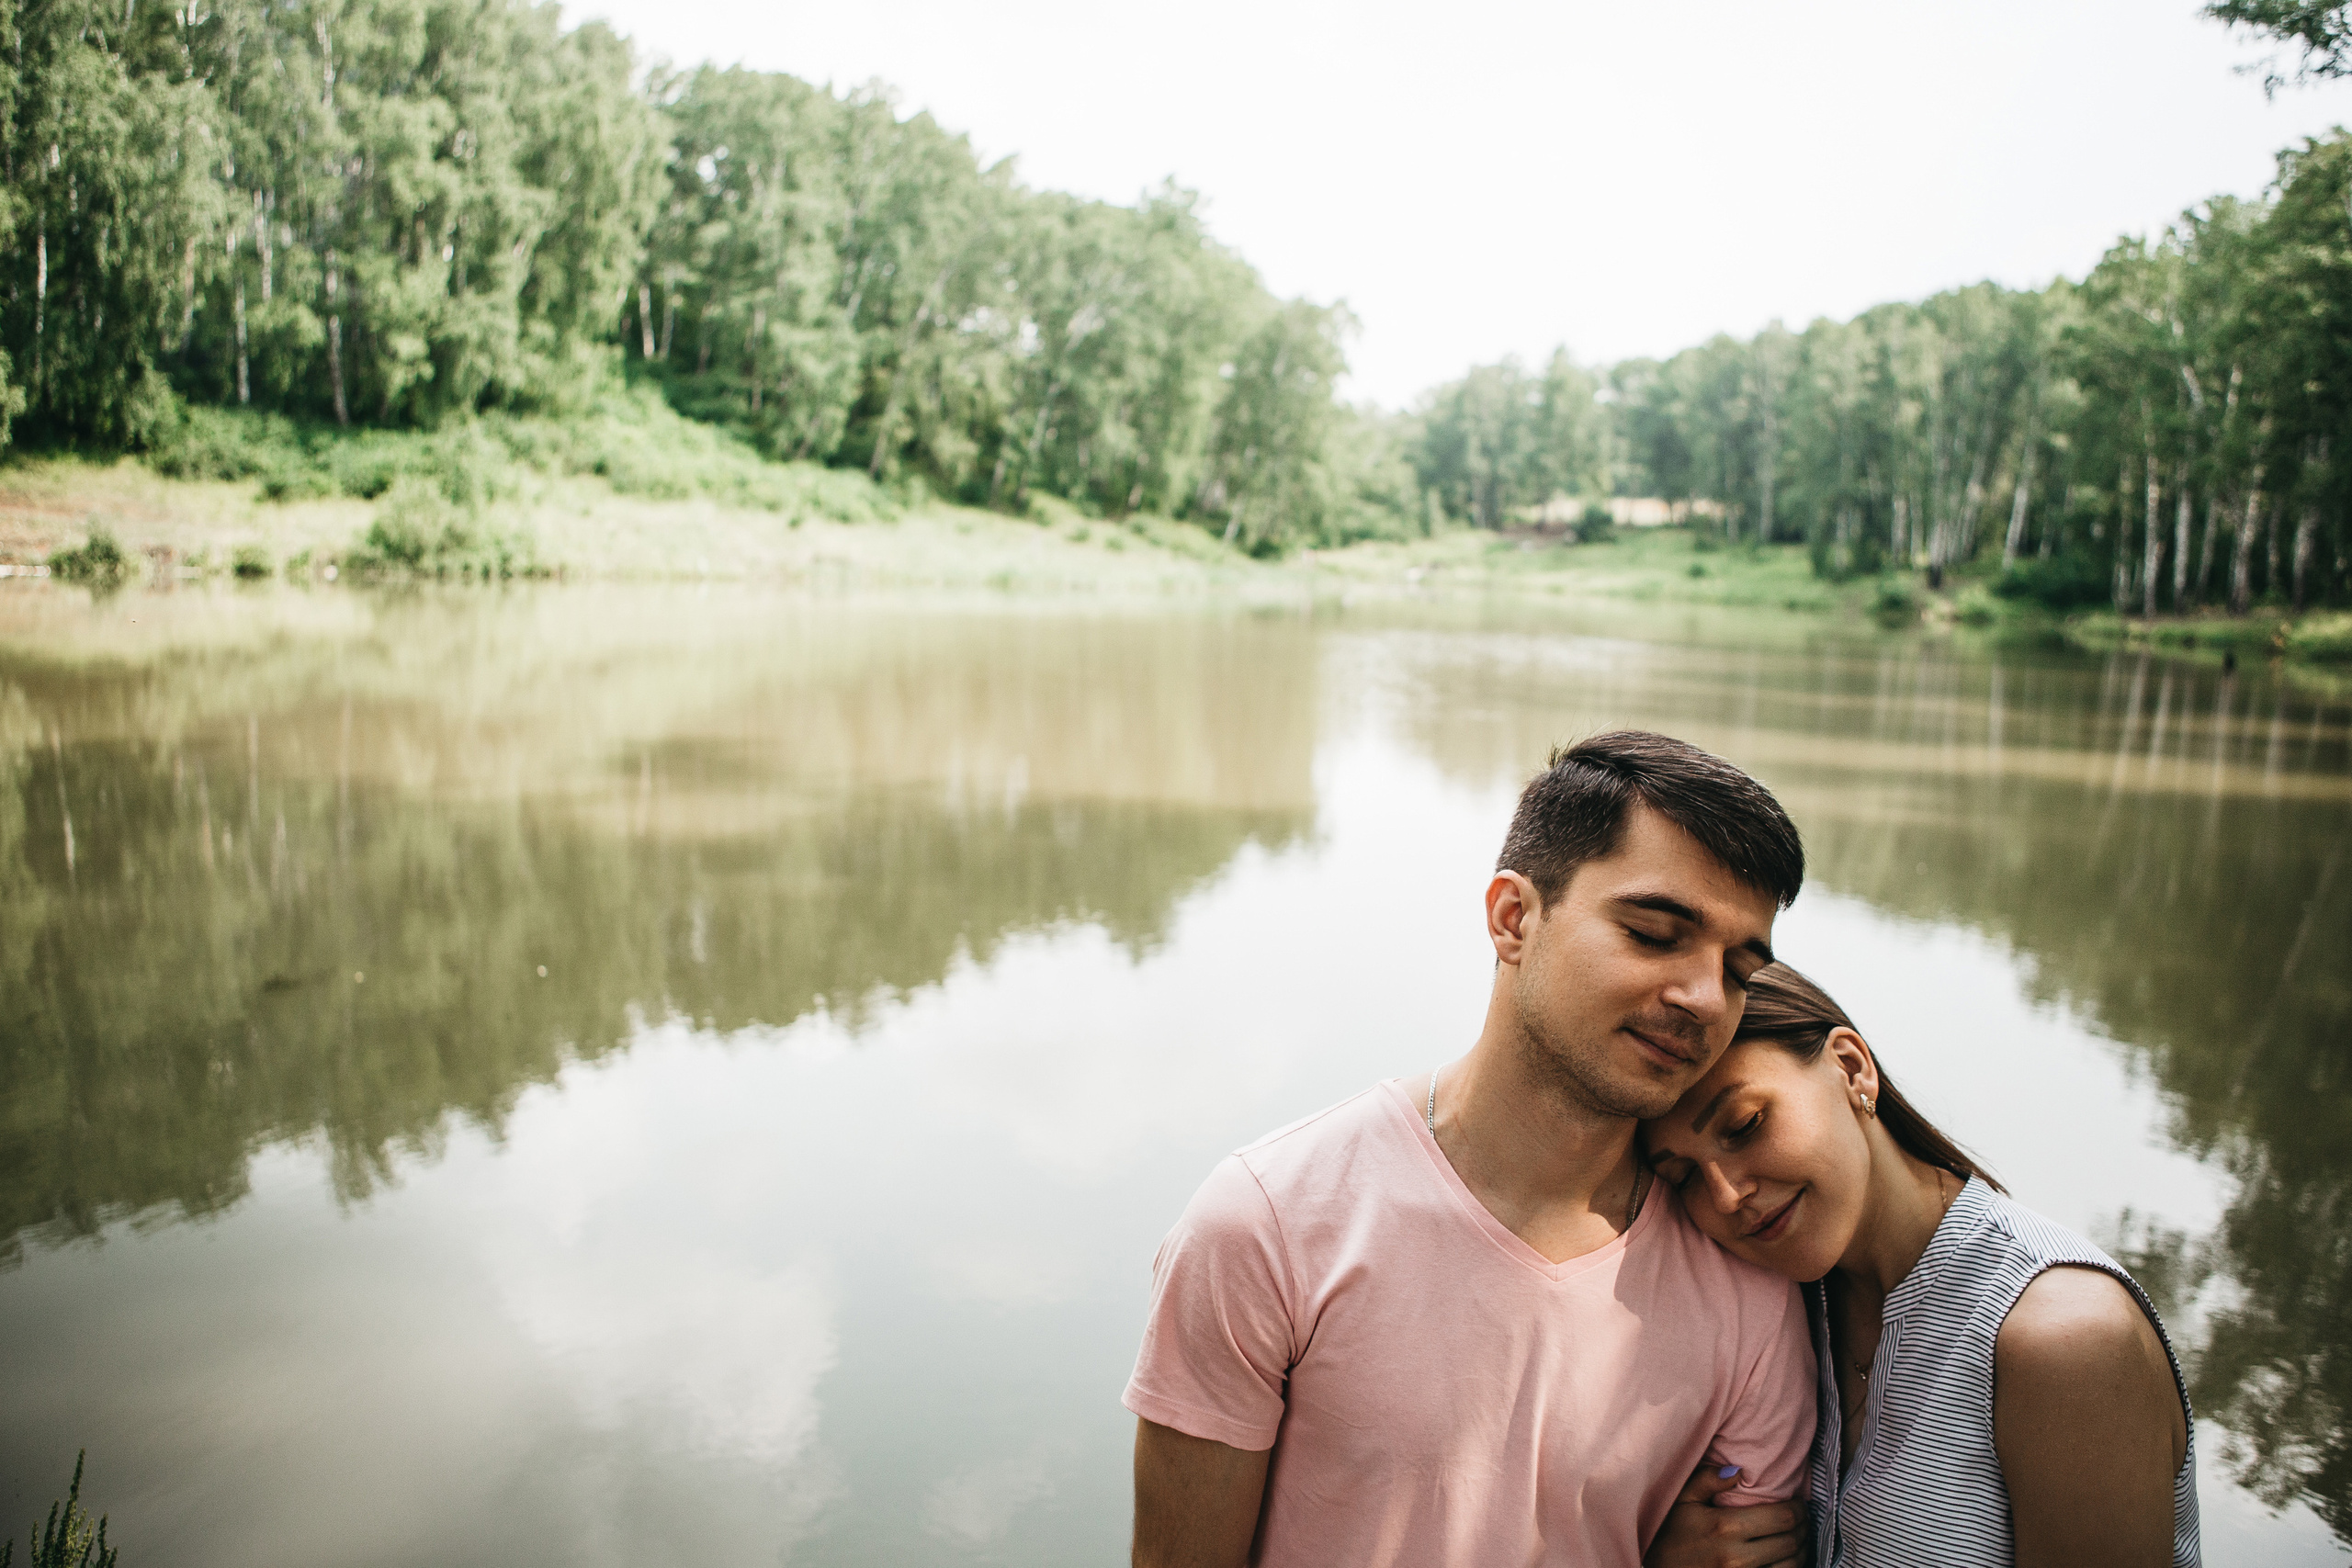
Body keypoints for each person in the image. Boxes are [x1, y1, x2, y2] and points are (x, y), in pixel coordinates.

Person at [1124, 731, 1820, 1568]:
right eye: (1654, 934)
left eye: (1739, 972)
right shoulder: (1266, 1224)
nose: (1705, 997)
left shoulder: (1747, 1284)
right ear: (1513, 917)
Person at [1640, 964, 2201, 1568]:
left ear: (1851, 1068)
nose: (1727, 1195)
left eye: (1745, 1124)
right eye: (1684, 1174)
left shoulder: (2064, 1338)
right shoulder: (1770, 1305)